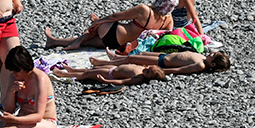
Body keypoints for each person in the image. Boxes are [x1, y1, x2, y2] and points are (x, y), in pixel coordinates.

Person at [44, 0, 178, 52]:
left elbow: (116, 16)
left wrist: (98, 22)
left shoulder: (144, 10)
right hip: (123, 45)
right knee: (90, 42)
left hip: (114, 33)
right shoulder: (168, 20)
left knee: (97, 27)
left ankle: (78, 41)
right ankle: (54, 42)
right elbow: (165, 35)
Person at [74, 48, 231, 81]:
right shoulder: (203, 59)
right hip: (165, 56)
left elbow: (180, 69)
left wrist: (162, 71)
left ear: (213, 65)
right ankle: (114, 58)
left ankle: (107, 61)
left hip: (163, 62)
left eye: (213, 56)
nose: (211, 54)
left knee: (133, 59)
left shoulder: (200, 65)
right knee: (139, 55)